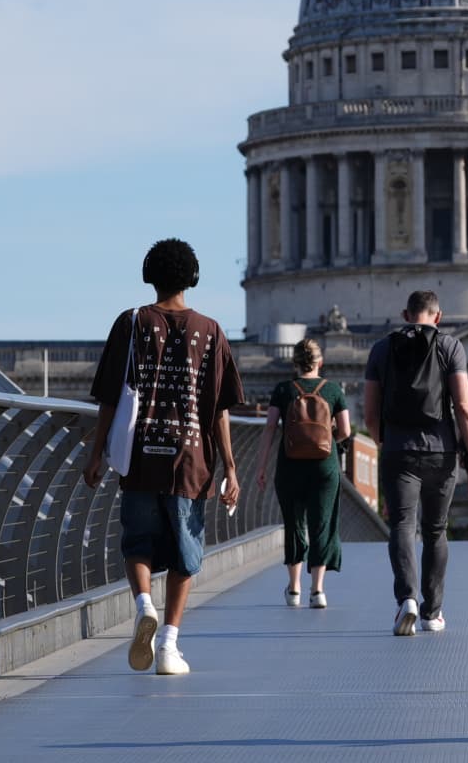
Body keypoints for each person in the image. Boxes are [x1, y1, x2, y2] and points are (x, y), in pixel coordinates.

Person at [82, 238, 244, 676]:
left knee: (138, 544)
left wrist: (96, 454)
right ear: (192, 277)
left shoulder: (131, 323)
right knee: (185, 556)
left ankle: (142, 605)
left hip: (139, 455)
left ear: (149, 274)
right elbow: (219, 409)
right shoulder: (211, 332)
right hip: (190, 459)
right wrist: (230, 467)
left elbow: (110, 398)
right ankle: (170, 645)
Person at [365, 290, 468, 636]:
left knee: (402, 524)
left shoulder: (382, 348)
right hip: (441, 451)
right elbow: (463, 406)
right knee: (435, 530)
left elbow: (371, 413)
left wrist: (384, 442)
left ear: (405, 314)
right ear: (438, 316)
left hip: (398, 450)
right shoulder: (450, 347)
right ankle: (433, 611)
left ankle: (407, 599)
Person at [255, 339, 351, 608]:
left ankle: (294, 588)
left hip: (290, 465)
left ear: (295, 363)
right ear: (320, 362)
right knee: (321, 524)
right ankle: (317, 590)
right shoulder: (333, 390)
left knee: (294, 524)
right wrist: (327, 436)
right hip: (325, 466)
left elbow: (270, 429)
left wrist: (261, 467)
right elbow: (346, 431)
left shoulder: (284, 390)